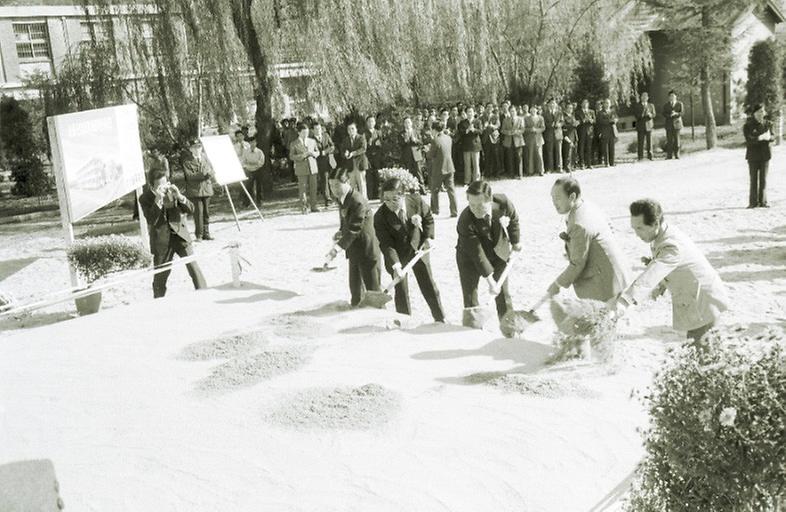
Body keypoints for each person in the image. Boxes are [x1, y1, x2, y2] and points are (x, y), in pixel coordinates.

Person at [609, 199, 730, 342]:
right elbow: (668, 265)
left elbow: (650, 275)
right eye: (634, 228)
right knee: (700, 353)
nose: (636, 233)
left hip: (702, 302)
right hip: (696, 298)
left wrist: (624, 302)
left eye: (640, 228)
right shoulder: (662, 233)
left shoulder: (671, 246)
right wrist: (662, 283)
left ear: (655, 223)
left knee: (702, 355)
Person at [546, 177, 630, 302]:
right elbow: (609, 227)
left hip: (605, 284)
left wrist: (557, 285)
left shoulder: (578, 224)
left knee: (604, 320)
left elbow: (577, 264)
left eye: (557, 198)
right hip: (615, 273)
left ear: (572, 197)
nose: (554, 203)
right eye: (552, 198)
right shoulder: (586, 205)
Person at [374, 178, 445, 322]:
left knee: (428, 284)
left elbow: (428, 218)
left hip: (419, 249)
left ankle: (440, 318)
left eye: (394, 199)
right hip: (398, 255)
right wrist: (396, 265)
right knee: (401, 290)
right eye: (386, 200)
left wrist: (428, 238)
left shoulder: (416, 200)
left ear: (403, 195)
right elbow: (386, 244)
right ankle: (404, 322)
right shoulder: (380, 217)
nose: (390, 204)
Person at [456, 180, 522, 324]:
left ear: (490, 200)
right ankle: (472, 329)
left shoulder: (502, 203)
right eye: (471, 205)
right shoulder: (465, 220)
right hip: (469, 259)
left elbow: (514, 219)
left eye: (480, 205)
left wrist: (516, 242)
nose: (475, 210)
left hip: (498, 253)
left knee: (503, 294)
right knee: (470, 297)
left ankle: (510, 330)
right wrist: (491, 281)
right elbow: (477, 253)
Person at [139, 168, 207, 298]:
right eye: (160, 186)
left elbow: (191, 209)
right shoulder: (144, 198)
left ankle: (204, 294)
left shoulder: (173, 191)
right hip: (161, 241)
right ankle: (158, 302)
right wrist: (158, 200)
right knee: (160, 276)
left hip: (180, 235)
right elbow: (151, 219)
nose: (164, 188)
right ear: (151, 186)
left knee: (194, 268)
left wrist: (180, 197)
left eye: (166, 183)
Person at [327, 168, 381, 307]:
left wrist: (336, 249)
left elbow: (354, 228)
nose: (334, 189)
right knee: (356, 293)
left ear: (348, 182)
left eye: (337, 185)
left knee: (373, 293)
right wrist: (340, 231)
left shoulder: (357, 200)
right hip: (354, 251)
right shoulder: (343, 198)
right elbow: (347, 223)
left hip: (367, 251)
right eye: (331, 185)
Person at [181, 139, 215, 241]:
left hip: (206, 188)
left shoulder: (205, 157)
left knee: (206, 212)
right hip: (195, 190)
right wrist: (204, 174)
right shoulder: (187, 161)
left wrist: (210, 174)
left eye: (199, 147)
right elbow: (189, 176)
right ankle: (199, 235)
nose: (198, 149)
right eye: (195, 147)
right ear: (191, 149)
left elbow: (212, 169)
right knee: (198, 213)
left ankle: (206, 233)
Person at [742, 103, 773, 208]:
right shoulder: (748, 126)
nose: (761, 114)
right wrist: (760, 138)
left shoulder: (768, 124)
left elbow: (773, 136)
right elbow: (749, 140)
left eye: (762, 112)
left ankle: (763, 201)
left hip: (765, 155)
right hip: (753, 156)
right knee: (753, 179)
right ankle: (752, 203)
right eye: (759, 112)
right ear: (754, 113)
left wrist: (769, 137)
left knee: (763, 179)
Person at [426, 121, 458, 217]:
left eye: (432, 129)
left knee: (435, 190)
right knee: (451, 190)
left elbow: (430, 155)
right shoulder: (448, 138)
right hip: (449, 167)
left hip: (439, 168)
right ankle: (454, 211)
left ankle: (435, 210)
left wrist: (427, 150)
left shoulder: (435, 140)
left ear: (434, 129)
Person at [289, 122, 320, 214]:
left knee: (313, 188)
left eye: (307, 132)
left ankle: (314, 206)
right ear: (299, 132)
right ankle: (304, 207)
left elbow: (317, 151)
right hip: (301, 168)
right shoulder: (294, 143)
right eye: (303, 132)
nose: (306, 134)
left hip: (312, 167)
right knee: (302, 189)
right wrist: (302, 156)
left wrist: (315, 154)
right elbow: (291, 156)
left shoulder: (312, 141)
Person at [341, 122, 368, 199]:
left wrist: (353, 153)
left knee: (362, 184)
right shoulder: (345, 140)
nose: (351, 130)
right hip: (350, 165)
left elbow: (363, 149)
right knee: (351, 185)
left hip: (360, 164)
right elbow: (342, 151)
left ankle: (363, 201)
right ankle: (354, 201)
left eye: (352, 128)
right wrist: (345, 154)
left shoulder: (361, 138)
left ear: (356, 129)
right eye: (349, 129)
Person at [311, 122, 336, 207]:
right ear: (313, 130)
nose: (318, 130)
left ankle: (332, 196)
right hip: (318, 162)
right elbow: (311, 151)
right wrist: (319, 152)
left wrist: (326, 151)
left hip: (329, 160)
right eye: (316, 129)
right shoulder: (311, 139)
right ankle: (327, 198)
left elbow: (332, 145)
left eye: (319, 129)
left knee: (331, 179)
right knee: (324, 179)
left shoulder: (326, 136)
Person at [400, 116, 426, 192]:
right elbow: (401, 143)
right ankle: (411, 189)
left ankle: (422, 188)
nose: (407, 124)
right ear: (404, 124)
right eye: (405, 122)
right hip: (407, 155)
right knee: (409, 172)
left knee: (418, 172)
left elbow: (421, 142)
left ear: (411, 123)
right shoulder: (402, 133)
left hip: (416, 154)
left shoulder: (416, 131)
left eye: (409, 122)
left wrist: (416, 140)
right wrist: (406, 140)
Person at [458, 106, 483, 184]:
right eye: (468, 112)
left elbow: (481, 131)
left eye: (471, 111)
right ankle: (467, 181)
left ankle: (476, 181)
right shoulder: (462, 123)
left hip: (475, 146)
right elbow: (460, 132)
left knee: (476, 164)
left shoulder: (478, 121)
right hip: (466, 146)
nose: (470, 113)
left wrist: (474, 130)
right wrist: (467, 130)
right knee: (467, 165)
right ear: (466, 113)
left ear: (474, 112)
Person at [501, 105, 525, 178]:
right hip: (509, 141)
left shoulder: (520, 119)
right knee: (510, 158)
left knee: (519, 158)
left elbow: (523, 129)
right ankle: (511, 174)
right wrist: (508, 132)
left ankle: (520, 174)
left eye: (514, 111)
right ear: (509, 111)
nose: (512, 112)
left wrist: (516, 132)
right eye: (511, 111)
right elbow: (502, 130)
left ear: (516, 111)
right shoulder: (505, 120)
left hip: (518, 140)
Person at [364, 115, 383, 200]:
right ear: (367, 123)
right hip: (368, 156)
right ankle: (370, 195)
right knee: (369, 176)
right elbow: (363, 146)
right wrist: (369, 143)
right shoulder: (363, 133)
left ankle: (377, 194)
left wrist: (380, 144)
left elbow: (383, 144)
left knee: (377, 175)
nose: (371, 123)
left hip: (377, 157)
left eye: (372, 121)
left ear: (375, 123)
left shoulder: (379, 132)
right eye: (369, 121)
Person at [543, 98, 564, 173]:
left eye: (554, 103)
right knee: (549, 152)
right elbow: (544, 123)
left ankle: (559, 168)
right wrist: (550, 125)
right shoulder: (545, 113)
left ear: (556, 104)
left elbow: (562, 122)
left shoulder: (559, 113)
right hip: (549, 134)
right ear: (548, 105)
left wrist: (559, 124)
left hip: (558, 134)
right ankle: (550, 168)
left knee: (559, 151)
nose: (552, 105)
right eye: (551, 103)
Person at [633, 92, 656, 161]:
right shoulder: (637, 106)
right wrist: (643, 112)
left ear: (648, 98)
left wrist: (650, 115)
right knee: (641, 142)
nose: (644, 98)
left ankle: (650, 156)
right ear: (641, 98)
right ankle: (640, 157)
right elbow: (636, 116)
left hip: (649, 125)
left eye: (646, 97)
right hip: (641, 126)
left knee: (649, 142)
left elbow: (654, 114)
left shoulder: (651, 105)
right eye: (643, 97)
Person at [596, 99, 618, 167]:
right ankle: (606, 162)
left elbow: (616, 118)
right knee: (605, 148)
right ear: (603, 104)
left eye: (608, 103)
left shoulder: (612, 112)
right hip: (604, 131)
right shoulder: (600, 112)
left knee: (612, 147)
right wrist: (609, 121)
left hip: (612, 131)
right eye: (606, 103)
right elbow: (600, 121)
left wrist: (615, 120)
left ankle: (612, 162)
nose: (607, 104)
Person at [524, 105, 545, 176]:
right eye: (532, 110)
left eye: (534, 110)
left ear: (537, 110)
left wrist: (536, 130)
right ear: (530, 111)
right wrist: (530, 129)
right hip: (529, 139)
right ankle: (530, 171)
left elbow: (543, 128)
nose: (533, 111)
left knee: (539, 154)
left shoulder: (541, 118)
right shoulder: (526, 118)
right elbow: (524, 128)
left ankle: (541, 170)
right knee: (530, 154)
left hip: (538, 138)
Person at [663, 90, 684, 159]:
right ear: (668, 97)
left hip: (677, 124)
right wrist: (669, 115)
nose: (672, 97)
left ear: (676, 96)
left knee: (677, 140)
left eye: (673, 96)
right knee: (669, 140)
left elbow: (682, 113)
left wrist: (676, 114)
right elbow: (663, 113)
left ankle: (677, 154)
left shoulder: (679, 104)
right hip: (669, 124)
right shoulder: (666, 105)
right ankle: (669, 155)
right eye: (670, 96)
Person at [576, 99, 595, 169]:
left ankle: (589, 164)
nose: (585, 105)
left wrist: (591, 120)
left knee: (589, 148)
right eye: (583, 103)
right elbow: (578, 122)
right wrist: (583, 121)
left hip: (589, 132)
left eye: (586, 103)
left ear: (588, 104)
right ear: (581, 104)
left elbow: (594, 120)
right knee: (581, 148)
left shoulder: (591, 111)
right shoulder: (578, 112)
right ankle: (582, 164)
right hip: (581, 132)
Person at [561, 103, 578, 173]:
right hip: (567, 135)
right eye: (569, 108)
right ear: (566, 109)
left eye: (571, 108)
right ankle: (567, 167)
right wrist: (572, 125)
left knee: (573, 151)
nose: (570, 109)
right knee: (567, 151)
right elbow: (564, 126)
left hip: (574, 134)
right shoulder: (564, 117)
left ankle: (572, 165)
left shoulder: (573, 116)